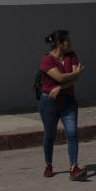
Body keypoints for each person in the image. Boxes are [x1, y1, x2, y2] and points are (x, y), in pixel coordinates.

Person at [38, 29, 86, 180]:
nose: (71, 44)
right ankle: (48, 165)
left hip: (68, 101)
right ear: (59, 44)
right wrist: (76, 73)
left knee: (72, 133)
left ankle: (74, 167)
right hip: (49, 103)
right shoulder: (47, 60)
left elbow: (70, 81)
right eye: (68, 41)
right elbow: (59, 77)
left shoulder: (71, 55)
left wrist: (61, 87)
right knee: (50, 135)